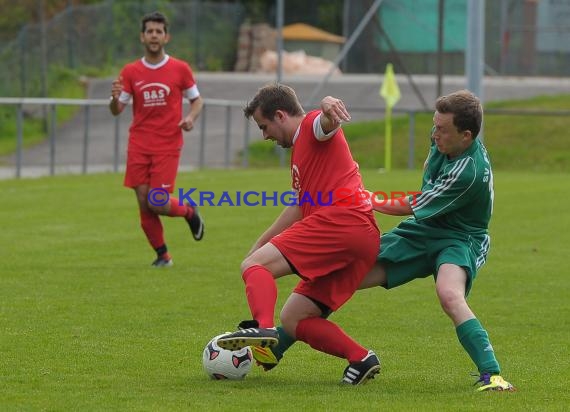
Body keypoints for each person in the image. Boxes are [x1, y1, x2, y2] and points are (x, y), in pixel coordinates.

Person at [249, 89, 515, 392]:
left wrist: (366, 198)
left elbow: (415, 203)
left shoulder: (469, 171)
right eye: (434, 125)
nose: (434, 134)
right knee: (341, 278)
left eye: (442, 129)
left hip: (460, 239)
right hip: (420, 232)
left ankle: (492, 375)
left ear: (466, 136)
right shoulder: (442, 140)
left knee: (449, 295)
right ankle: (276, 344)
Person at [216, 84, 382, 385]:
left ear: (280, 115)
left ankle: (262, 328)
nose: (264, 135)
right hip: (362, 237)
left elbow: (326, 123)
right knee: (295, 319)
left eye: (264, 126)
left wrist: (329, 104)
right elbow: (298, 207)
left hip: (342, 222)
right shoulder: (300, 155)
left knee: (254, 268)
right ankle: (360, 357)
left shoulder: (310, 127)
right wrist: (261, 243)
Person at [109, 11, 204, 267]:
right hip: (138, 145)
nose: (154, 35)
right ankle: (163, 255)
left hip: (167, 144)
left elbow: (197, 100)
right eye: (149, 31)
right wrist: (113, 98)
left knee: (157, 201)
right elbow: (117, 110)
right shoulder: (130, 71)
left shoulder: (180, 69)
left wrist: (191, 118)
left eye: (158, 31)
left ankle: (189, 211)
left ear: (166, 37)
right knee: (143, 202)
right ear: (142, 37)